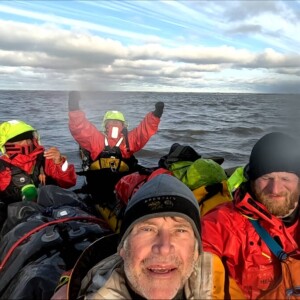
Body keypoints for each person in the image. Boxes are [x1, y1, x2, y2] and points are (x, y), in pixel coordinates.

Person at [70, 174, 226, 300]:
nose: (164, 248)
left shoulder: (222, 286)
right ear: (123, 248)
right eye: (147, 229)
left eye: (180, 230)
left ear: (196, 251)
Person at [201, 132, 300, 299]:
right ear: (251, 179)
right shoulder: (221, 223)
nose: (275, 189)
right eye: (266, 177)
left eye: (285, 178)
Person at [68, 91, 164, 206]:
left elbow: (80, 127)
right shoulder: (112, 140)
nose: (114, 124)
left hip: (114, 183)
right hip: (107, 183)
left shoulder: (117, 141)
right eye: (112, 122)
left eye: (116, 122)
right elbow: (80, 128)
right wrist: (74, 108)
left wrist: (155, 116)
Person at [0, 120, 77, 228]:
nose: (25, 142)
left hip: (52, 214)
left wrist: (60, 163)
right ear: (6, 144)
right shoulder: (2, 168)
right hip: (18, 224)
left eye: (28, 137)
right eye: (17, 140)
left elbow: (69, 182)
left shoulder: (47, 158)